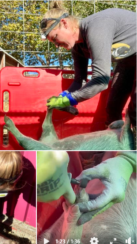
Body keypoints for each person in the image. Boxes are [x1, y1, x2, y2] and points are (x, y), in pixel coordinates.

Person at [41, 2, 136, 146]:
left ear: (64, 23)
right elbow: (79, 81)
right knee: (113, 107)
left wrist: (71, 99)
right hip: (128, 61)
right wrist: (64, 96)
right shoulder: (77, 48)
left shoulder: (96, 28)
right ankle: (114, 146)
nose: (56, 45)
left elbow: (101, 80)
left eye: (55, 38)